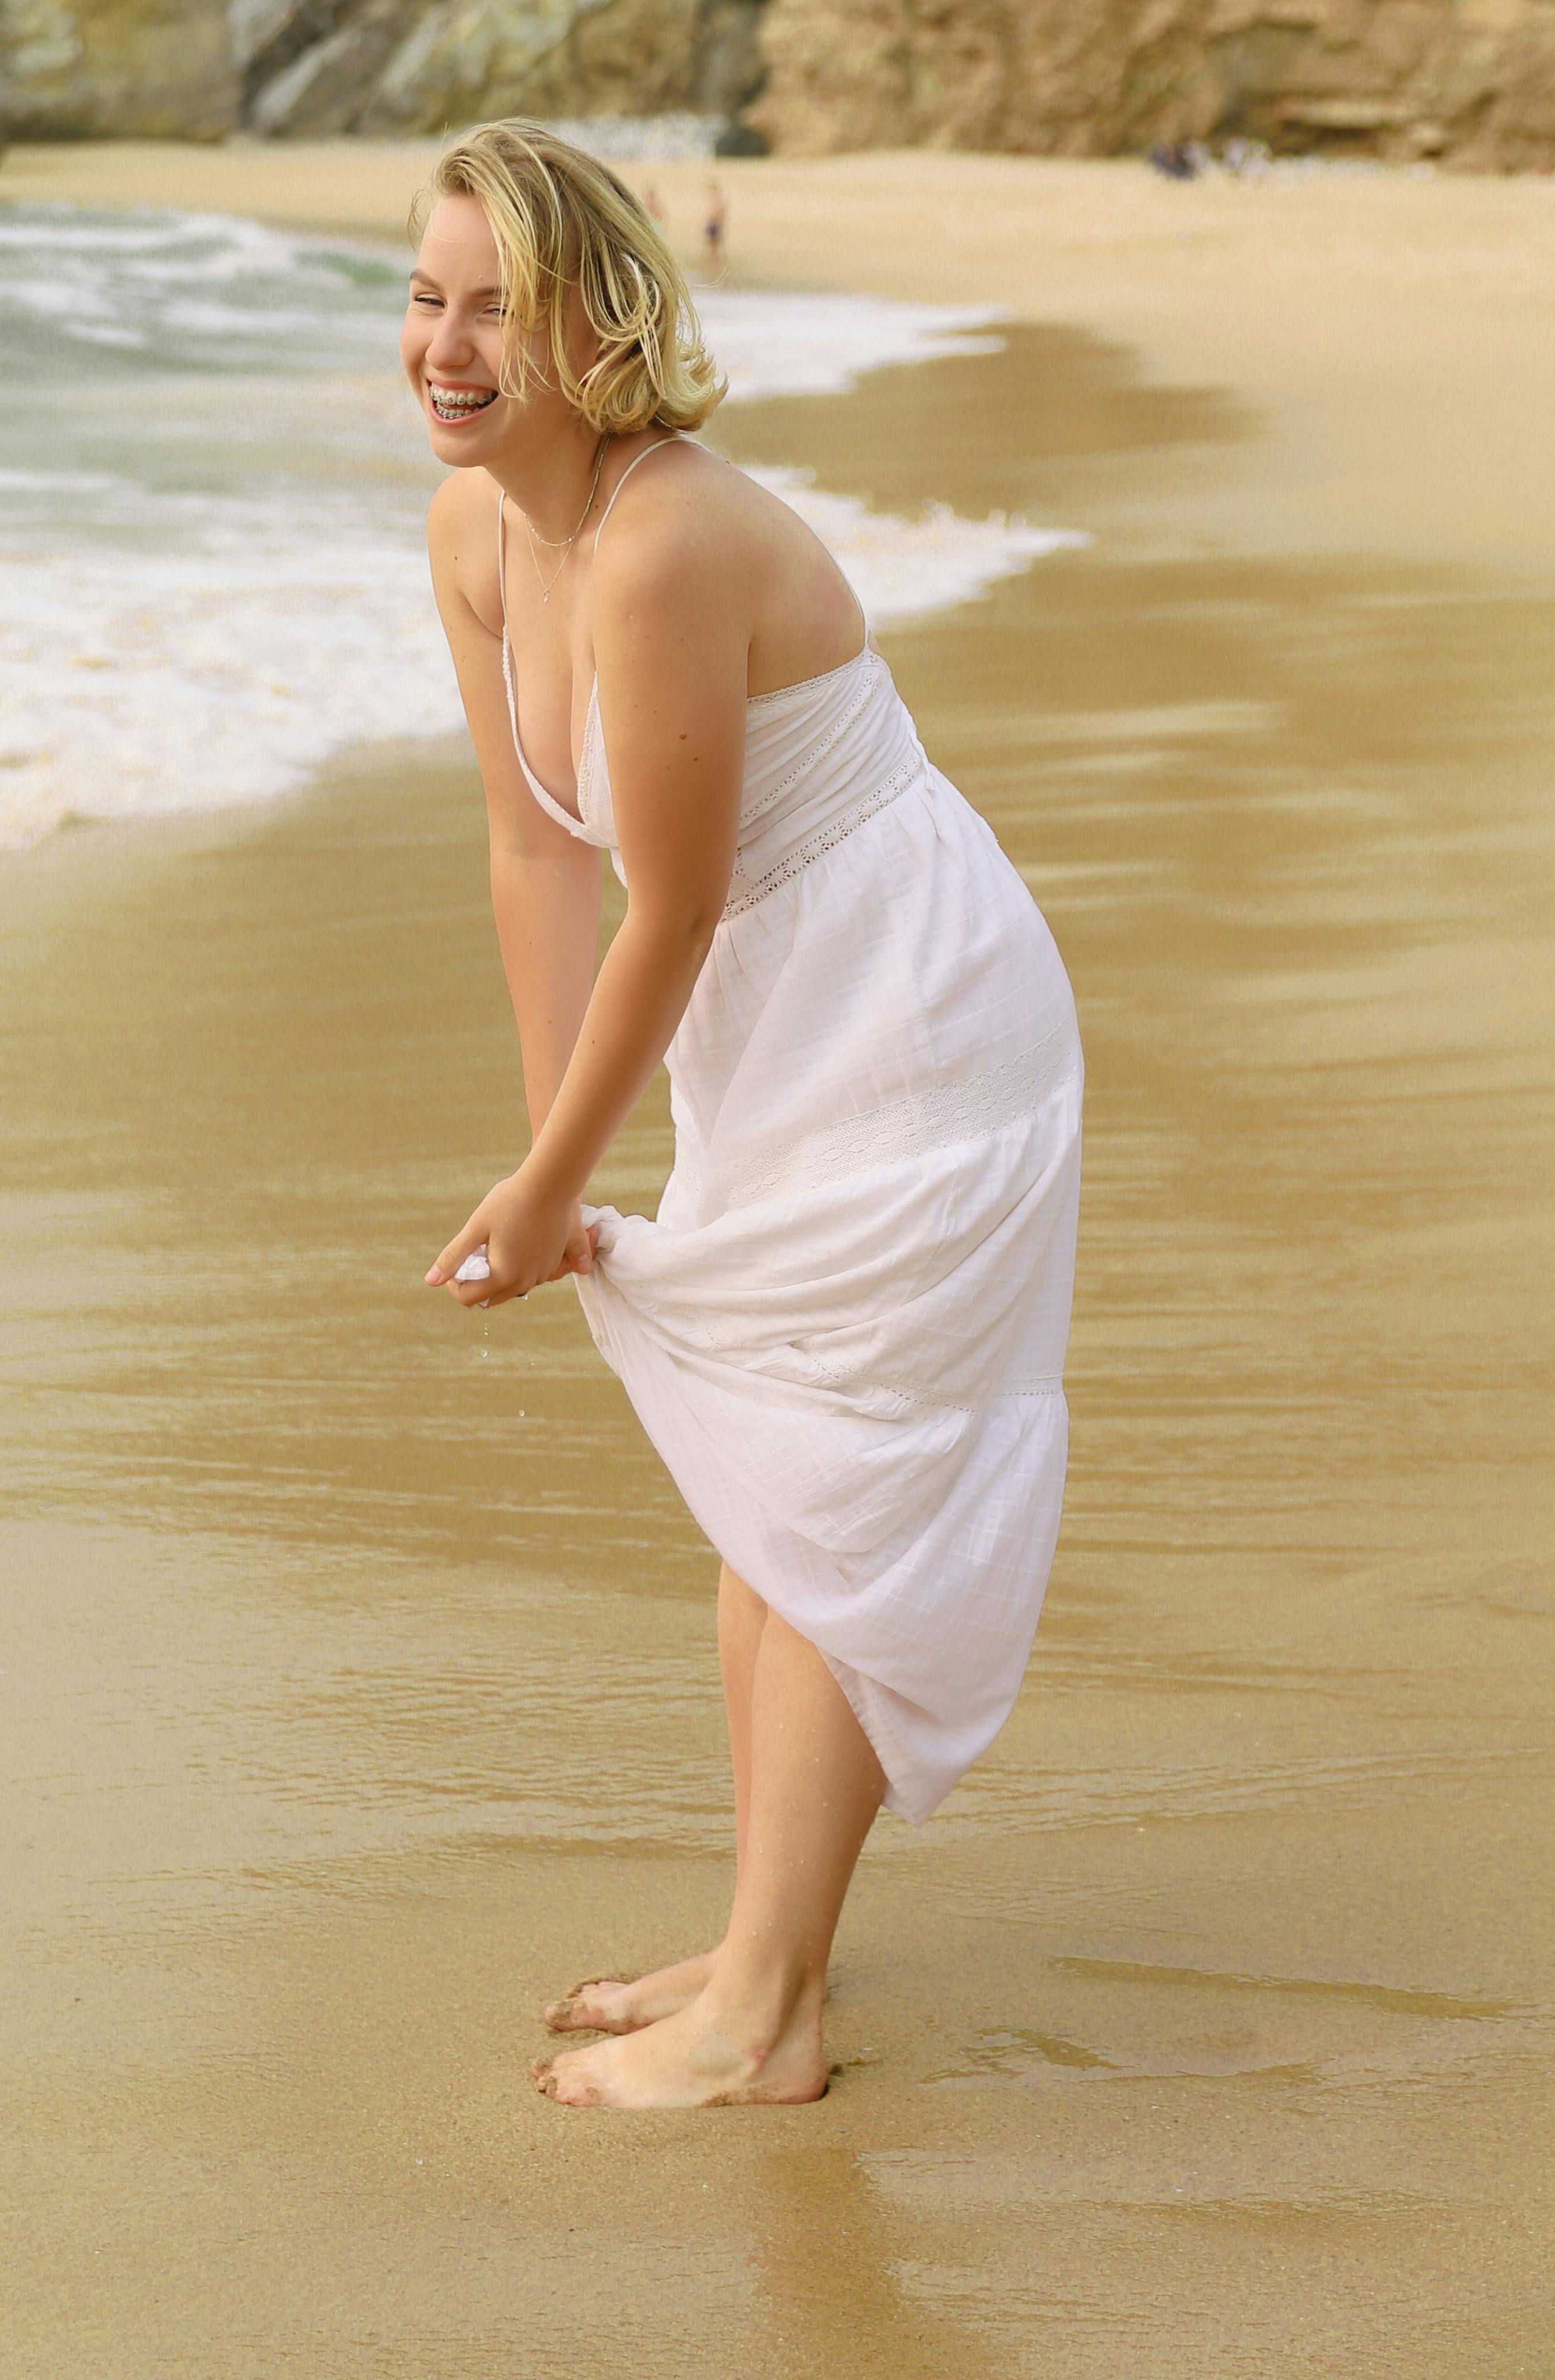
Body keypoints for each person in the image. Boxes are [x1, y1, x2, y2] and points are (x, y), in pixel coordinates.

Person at [408, 120, 1082, 2112]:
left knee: (845, 1476)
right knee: (770, 1475)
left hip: (913, 1015)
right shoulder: (471, 541)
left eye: (492, 309)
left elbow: (678, 900)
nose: (446, 349)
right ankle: (765, 1943)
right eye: (425, 299)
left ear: (594, 321)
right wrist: (562, 1170)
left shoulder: (668, 538)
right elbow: (542, 861)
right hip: (763, 1024)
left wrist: (550, 1190)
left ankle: (767, 2017)